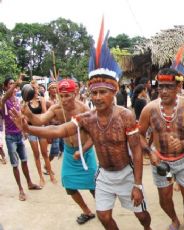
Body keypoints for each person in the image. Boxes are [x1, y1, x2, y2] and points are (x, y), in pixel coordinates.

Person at [11, 23, 152, 229]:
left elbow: (137, 151)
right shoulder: (88, 117)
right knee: (103, 216)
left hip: (126, 173)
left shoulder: (125, 116)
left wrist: (138, 184)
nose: (97, 97)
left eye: (103, 92)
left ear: (113, 92)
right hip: (104, 174)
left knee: (142, 216)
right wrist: (29, 129)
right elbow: (59, 130)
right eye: (94, 93)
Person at [20, 79, 98, 224]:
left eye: (67, 95)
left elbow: (94, 135)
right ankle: (87, 211)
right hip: (69, 152)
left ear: (75, 94)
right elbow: (41, 120)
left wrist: (82, 151)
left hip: (85, 152)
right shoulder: (56, 109)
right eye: (61, 96)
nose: (63, 99)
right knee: (69, 186)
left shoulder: (84, 110)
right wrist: (29, 115)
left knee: (94, 186)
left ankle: (102, 208)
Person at [139, 68, 184, 230]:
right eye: (161, 86)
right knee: (164, 197)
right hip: (161, 161)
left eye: (169, 87)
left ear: (178, 87)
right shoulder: (149, 109)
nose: (163, 91)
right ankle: (174, 219)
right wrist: (150, 153)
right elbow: (139, 135)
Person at [1, 77, 42, 202]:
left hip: (19, 134)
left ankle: (29, 183)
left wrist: (24, 130)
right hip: (10, 137)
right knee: (15, 165)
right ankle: (20, 190)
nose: (13, 86)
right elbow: (6, 96)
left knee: (24, 161)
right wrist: (17, 83)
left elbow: (22, 116)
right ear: (5, 87)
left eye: (14, 84)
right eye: (10, 84)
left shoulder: (17, 100)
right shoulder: (3, 100)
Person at [25, 80, 56, 186]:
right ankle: (41, 177)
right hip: (32, 130)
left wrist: (35, 119)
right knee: (36, 155)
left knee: (44, 153)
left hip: (41, 129)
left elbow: (44, 113)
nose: (36, 90)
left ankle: (51, 175)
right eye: (34, 88)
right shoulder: (26, 102)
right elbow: (25, 117)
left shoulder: (41, 99)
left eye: (37, 88)